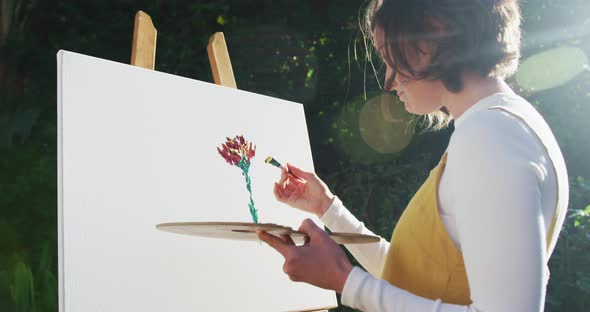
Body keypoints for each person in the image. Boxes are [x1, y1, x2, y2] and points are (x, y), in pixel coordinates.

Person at [257, 0, 569, 311]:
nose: (389, 81)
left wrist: (345, 281)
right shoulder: (497, 126)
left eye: (389, 56)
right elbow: (413, 278)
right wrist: (326, 208)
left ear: (434, 33)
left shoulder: (493, 136)